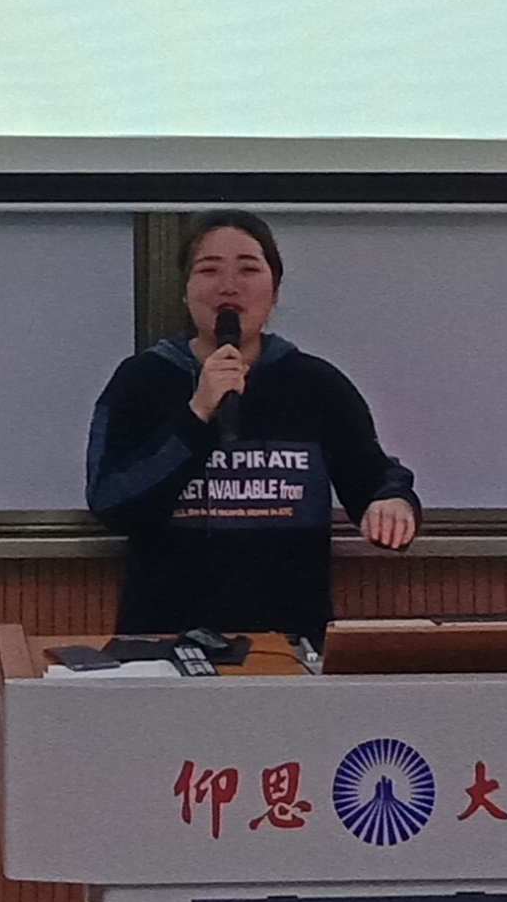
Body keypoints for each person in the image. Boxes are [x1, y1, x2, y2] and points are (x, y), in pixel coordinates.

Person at [84, 209, 419, 640]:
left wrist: (392, 501)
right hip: (166, 640)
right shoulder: (141, 380)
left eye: (248, 269)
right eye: (209, 270)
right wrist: (196, 414)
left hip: (290, 640)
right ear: (185, 291)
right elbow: (111, 502)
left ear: (274, 291)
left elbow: (371, 476)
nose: (229, 285)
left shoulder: (315, 383)